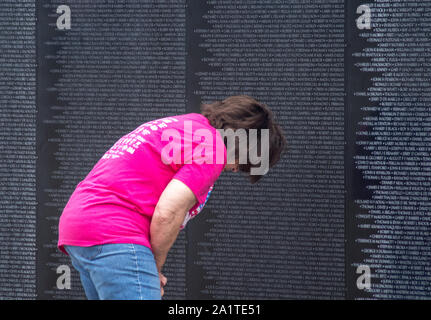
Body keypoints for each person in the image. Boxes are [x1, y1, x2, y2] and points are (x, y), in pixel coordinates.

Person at [57, 95, 287, 300]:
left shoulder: (187, 126)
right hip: (115, 234)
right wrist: (153, 268)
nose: (237, 169)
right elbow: (168, 212)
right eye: (245, 163)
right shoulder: (213, 148)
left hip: (80, 230)